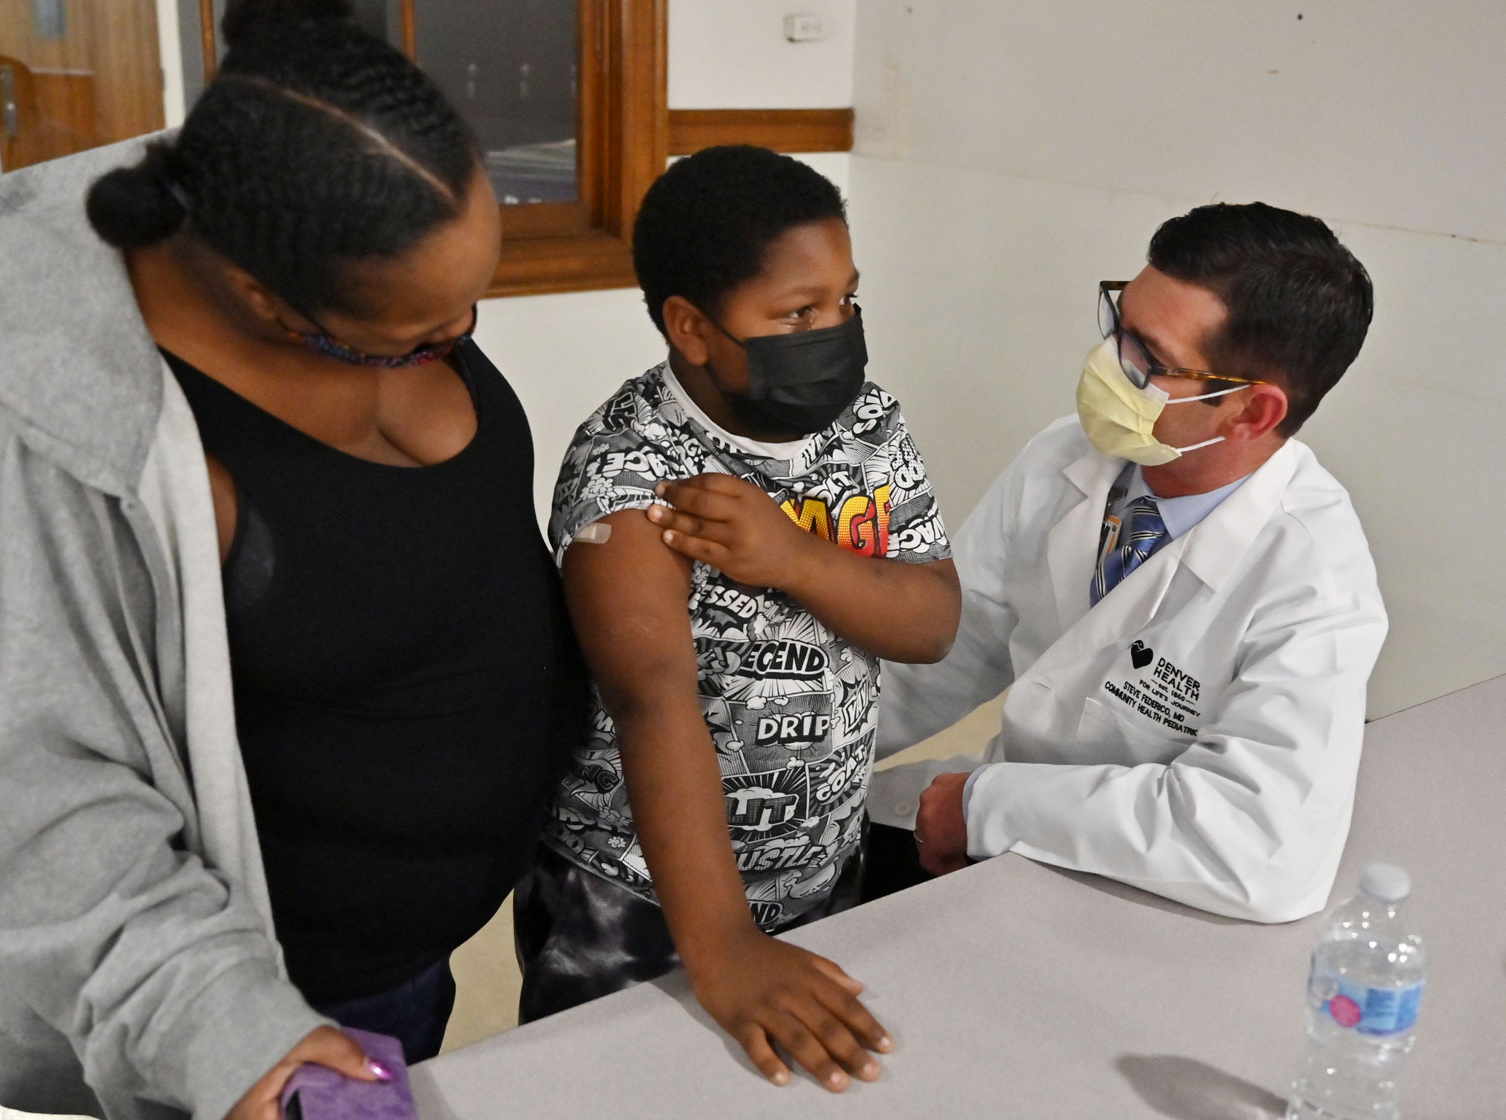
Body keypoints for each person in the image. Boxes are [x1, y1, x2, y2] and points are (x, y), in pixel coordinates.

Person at [0, 3, 585, 1117]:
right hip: (275, 992)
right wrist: (233, 1036)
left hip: (427, 941)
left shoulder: (340, 243)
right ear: (265, 298)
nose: (461, 332)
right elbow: (42, 814)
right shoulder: (68, 445)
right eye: (421, 332)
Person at [514, 146, 962, 1091]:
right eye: (798, 313)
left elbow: (928, 623)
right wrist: (722, 948)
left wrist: (795, 557)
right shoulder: (631, 473)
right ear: (692, 327)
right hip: (642, 893)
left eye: (845, 298)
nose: (835, 328)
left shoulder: (869, 425)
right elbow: (652, 704)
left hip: (824, 861)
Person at [869, 202, 1386, 924]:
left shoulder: (1314, 582)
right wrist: (789, 751)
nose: (1107, 363)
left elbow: (1261, 852)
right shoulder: (1067, 458)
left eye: (1146, 358)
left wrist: (990, 805)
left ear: (1251, 413)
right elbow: (950, 642)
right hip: (990, 841)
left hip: (1147, 903)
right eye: (1118, 324)